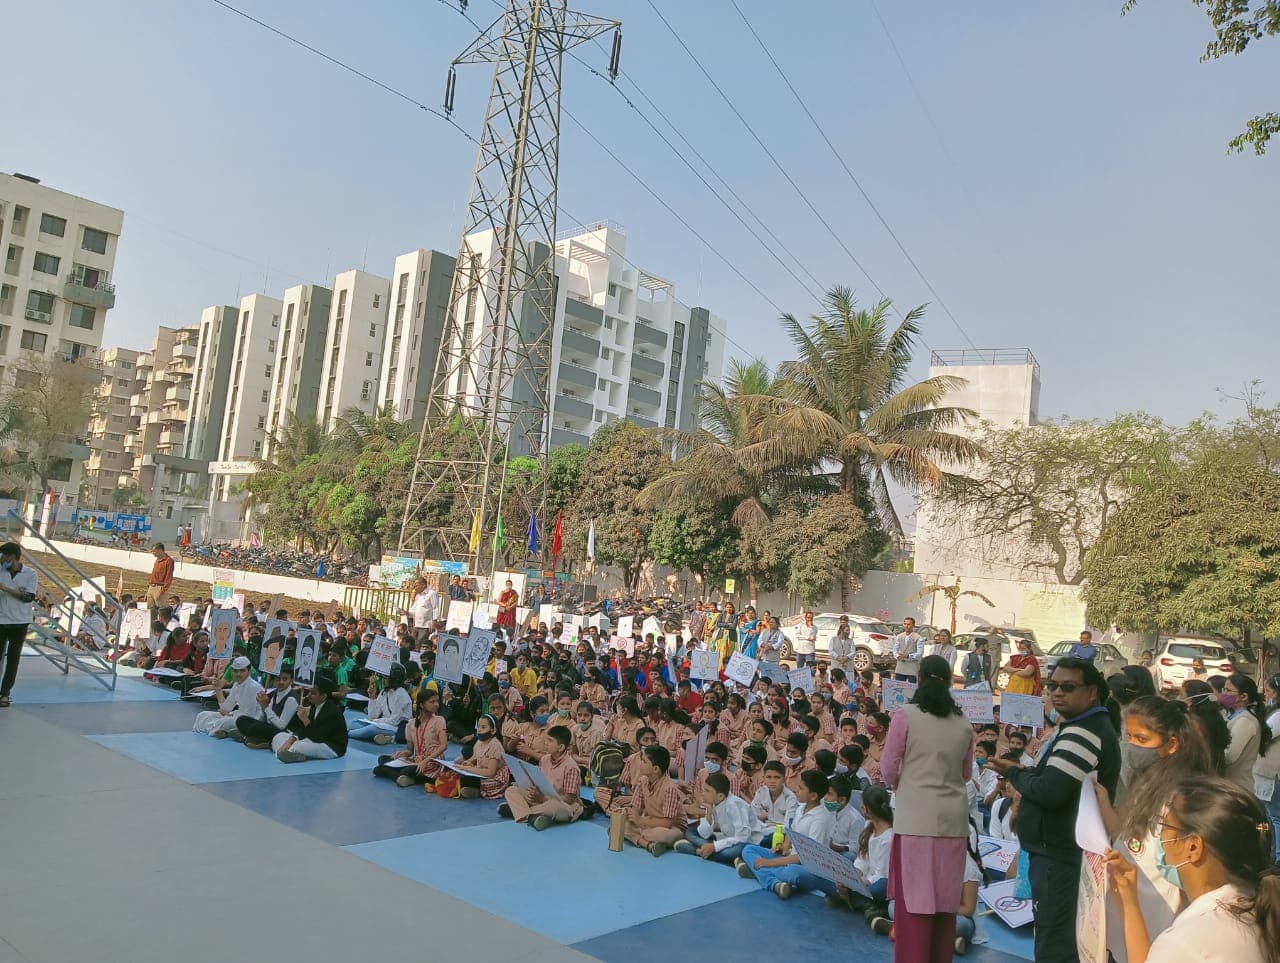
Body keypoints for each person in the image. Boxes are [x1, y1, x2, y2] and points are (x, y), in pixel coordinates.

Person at [990, 657, 1121, 963]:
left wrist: (1015, 774)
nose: (1057, 693)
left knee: (1056, 946)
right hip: (1058, 855)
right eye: (1053, 686)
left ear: (1092, 692)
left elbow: (1050, 791)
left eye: (1068, 687)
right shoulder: (1079, 726)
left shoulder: (1084, 732)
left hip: (1060, 858)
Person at [1089, 696, 1216, 963]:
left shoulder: (1184, 797)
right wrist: (1102, 801)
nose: (1131, 746)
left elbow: (1191, 875)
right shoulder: (1145, 783)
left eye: (1142, 739)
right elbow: (1126, 836)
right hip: (1123, 912)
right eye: (1129, 736)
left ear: (1171, 744)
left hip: (1157, 921)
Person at [1105, 774, 1279, 963]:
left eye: (1164, 825)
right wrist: (1130, 900)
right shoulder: (1255, 902)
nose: (1161, 835)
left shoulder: (1188, 940)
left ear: (1193, 847)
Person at [877, 654, 975, 962]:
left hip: (915, 821)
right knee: (945, 906)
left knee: (914, 906)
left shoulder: (905, 715)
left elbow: (888, 768)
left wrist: (906, 785)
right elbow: (966, 773)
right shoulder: (964, 723)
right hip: (954, 823)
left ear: (918, 679)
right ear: (950, 683)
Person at [736, 770, 834, 899]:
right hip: (790, 857)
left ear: (813, 796)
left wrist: (769, 863)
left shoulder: (820, 818)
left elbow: (807, 857)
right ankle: (774, 883)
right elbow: (791, 833)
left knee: (794, 873)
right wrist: (783, 846)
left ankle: (760, 873)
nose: (796, 790)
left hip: (806, 866)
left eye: (800, 788)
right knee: (748, 849)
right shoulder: (801, 808)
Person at [500, 725, 583, 830]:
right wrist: (532, 790)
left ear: (561, 747)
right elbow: (539, 781)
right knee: (511, 790)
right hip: (540, 798)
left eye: (550, 741)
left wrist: (543, 798)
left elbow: (569, 799)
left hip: (562, 804)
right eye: (546, 739)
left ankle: (520, 812)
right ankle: (532, 816)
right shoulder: (544, 759)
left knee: (555, 807)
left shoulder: (571, 767)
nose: (545, 743)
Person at [674, 770, 763, 863]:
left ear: (720, 796)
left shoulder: (734, 805)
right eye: (704, 789)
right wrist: (708, 813)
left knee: (731, 852)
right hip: (727, 838)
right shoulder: (712, 802)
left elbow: (743, 837)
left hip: (748, 842)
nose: (703, 793)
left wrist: (714, 846)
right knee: (690, 832)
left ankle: (696, 851)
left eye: (707, 791)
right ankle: (710, 851)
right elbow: (705, 834)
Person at [272, 670, 349, 762]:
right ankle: (286, 752)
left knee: (299, 746)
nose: (308, 695)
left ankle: (285, 752)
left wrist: (305, 720)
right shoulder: (314, 706)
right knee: (279, 736)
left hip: (330, 747)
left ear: (323, 697)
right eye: (309, 692)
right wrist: (291, 740)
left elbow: (318, 737)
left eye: (313, 693)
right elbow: (304, 730)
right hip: (313, 740)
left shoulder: (332, 712)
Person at [622, 745, 686, 855]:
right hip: (650, 821)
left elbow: (667, 822)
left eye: (644, 762)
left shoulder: (669, 788)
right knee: (621, 821)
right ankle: (648, 845)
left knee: (661, 835)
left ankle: (634, 836)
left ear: (655, 769)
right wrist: (629, 814)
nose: (640, 764)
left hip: (672, 827)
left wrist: (640, 821)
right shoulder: (643, 781)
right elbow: (636, 808)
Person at [0, 542, 38, 708]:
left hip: (20, 622)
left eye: (4, 556)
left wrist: (5, 588)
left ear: (13, 557)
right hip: (1, 620)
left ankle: (5, 693)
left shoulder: (30, 574)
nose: (2, 559)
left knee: (13, 659)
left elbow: (28, 597)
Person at [192, 656, 263, 738]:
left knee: (225, 721)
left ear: (249, 672)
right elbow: (225, 708)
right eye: (236, 671)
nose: (238, 674)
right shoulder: (236, 685)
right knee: (203, 715)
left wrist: (229, 715)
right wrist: (218, 689)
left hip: (251, 720)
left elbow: (249, 715)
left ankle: (230, 731)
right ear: (232, 672)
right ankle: (226, 731)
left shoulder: (252, 687)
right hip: (238, 715)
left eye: (242, 671)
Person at [1222, 673, 1270, 791]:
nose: (1224, 694)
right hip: (1231, 785)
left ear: (1243, 696)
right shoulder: (1236, 715)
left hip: (1237, 787)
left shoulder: (1245, 721)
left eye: (1228, 690)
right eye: (1224, 689)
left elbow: (1229, 756)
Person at [349, 663, 413, 745]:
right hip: (384, 724)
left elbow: (394, 721)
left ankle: (347, 734)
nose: (383, 680)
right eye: (383, 677)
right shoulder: (384, 692)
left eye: (386, 678)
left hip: (398, 727)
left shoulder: (401, 694)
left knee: (371, 729)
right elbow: (372, 716)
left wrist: (376, 721)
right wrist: (372, 698)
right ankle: (383, 737)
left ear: (394, 679)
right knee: (354, 723)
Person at [237, 666, 299, 748]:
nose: (281, 682)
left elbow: (281, 726)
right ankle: (253, 737)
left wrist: (266, 707)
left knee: (255, 727)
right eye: (278, 679)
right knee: (241, 720)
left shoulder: (291, 699)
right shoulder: (274, 693)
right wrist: (262, 706)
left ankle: (250, 736)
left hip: (284, 732)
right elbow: (264, 719)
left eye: (285, 679)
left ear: (291, 681)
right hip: (271, 726)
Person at [1256, 674, 1280, 863]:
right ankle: (1273, 855)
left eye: (1269, 691)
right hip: (1269, 772)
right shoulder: (1274, 712)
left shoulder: (1278, 716)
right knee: (1272, 818)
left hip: (1274, 774)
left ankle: (1277, 859)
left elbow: (1264, 736)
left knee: (1276, 818)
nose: (1266, 695)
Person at [144, 542, 174, 614]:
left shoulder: (169, 561)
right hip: (151, 586)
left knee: (161, 610)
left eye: (154, 551)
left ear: (160, 550)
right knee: (150, 610)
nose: (152, 553)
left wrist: (162, 592)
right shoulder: (157, 561)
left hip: (160, 587)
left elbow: (168, 577)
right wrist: (148, 591)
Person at [891, 617, 923, 682]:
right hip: (900, 667)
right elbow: (895, 649)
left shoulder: (918, 638)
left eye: (909, 624)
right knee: (899, 686)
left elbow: (920, 653)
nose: (906, 626)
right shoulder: (899, 636)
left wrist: (908, 656)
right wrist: (897, 656)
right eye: (905, 624)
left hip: (912, 667)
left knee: (911, 686)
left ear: (913, 625)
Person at [409, 576, 439, 645]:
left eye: (416, 586)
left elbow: (435, 609)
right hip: (416, 624)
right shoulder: (418, 595)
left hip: (425, 625)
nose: (415, 588)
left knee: (421, 643)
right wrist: (406, 612)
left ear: (423, 585)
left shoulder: (432, 593)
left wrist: (434, 623)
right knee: (413, 643)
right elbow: (414, 610)